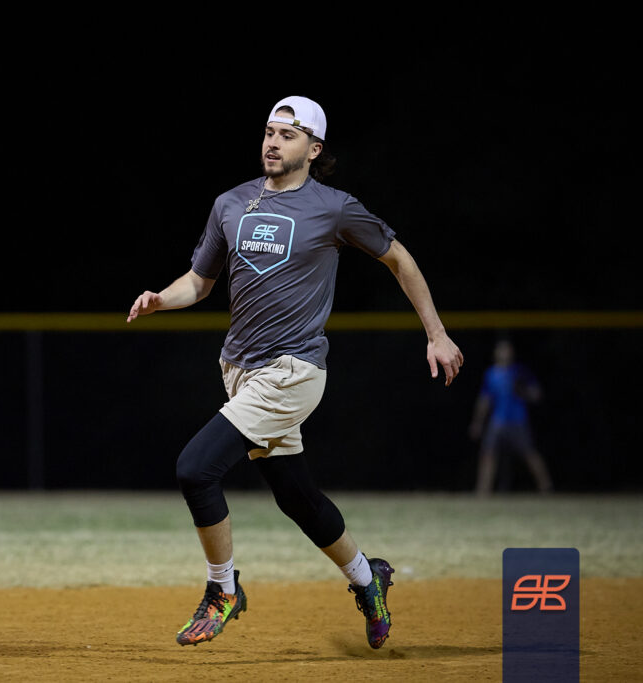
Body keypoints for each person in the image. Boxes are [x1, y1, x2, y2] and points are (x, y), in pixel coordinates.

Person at [126, 95, 463, 650]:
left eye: (288, 134)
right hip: (238, 369)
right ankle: (367, 577)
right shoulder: (231, 203)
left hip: (292, 371)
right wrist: (162, 298)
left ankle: (222, 590)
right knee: (294, 494)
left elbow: (399, 258)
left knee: (196, 469)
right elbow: (200, 282)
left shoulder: (334, 208)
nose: (273, 141)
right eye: (269, 131)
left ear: (314, 148)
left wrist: (436, 332)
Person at [468, 339, 553, 496]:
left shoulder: (519, 372)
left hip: (518, 421)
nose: (504, 353)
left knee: (529, 453)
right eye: (501, 350)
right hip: (497, 421)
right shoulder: (491, 374)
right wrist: (477, 423)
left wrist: (523, 390)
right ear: (495, 353)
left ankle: (546, 487)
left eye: (507, 350)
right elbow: (484, 401)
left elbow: (537, 394)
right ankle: (482, 491)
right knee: (488, 453)